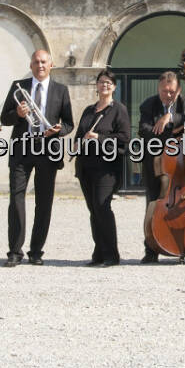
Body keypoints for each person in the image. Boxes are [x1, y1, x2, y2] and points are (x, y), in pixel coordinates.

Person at [0, 49, 73, 266]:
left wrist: (58, 130)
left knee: (44, 202)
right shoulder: (18, 87)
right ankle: (14, 251)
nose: (40, 65)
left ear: (51, 65)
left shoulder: (61, 90)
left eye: (43, 62)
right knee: (16, 198)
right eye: (36, 62)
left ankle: (36, 251)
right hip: (22, 149)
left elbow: (69, 123)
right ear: (30, 65)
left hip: (47, 150)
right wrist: (18, 115)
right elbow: (5, 118)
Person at [76, 68, 132, 266]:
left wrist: (99, 137)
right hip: (86, 167)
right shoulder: (89, 111)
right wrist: (77, 143)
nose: (104, 85)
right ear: (97, 86)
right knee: (93, 210)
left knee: (102, 207)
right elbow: (79, 134)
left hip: (107, 168)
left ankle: (111, 254)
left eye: (108, 82)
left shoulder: (119, 110)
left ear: (114, 87)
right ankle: (99, 252)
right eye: (101, 82)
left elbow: (125, 138)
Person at [136, 71, 185, 263]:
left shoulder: (184, 103)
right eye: (164, 91)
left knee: (182, 204)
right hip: (154, 163)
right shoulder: (148, 104)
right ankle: (151, 250)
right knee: (153, 203)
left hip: (180, 163)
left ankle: (184, 247)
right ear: (158, 89)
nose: (168, 95)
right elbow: (144, 130)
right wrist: (172, 133)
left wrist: (170, 118)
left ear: (179, 89)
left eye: (172, 91)